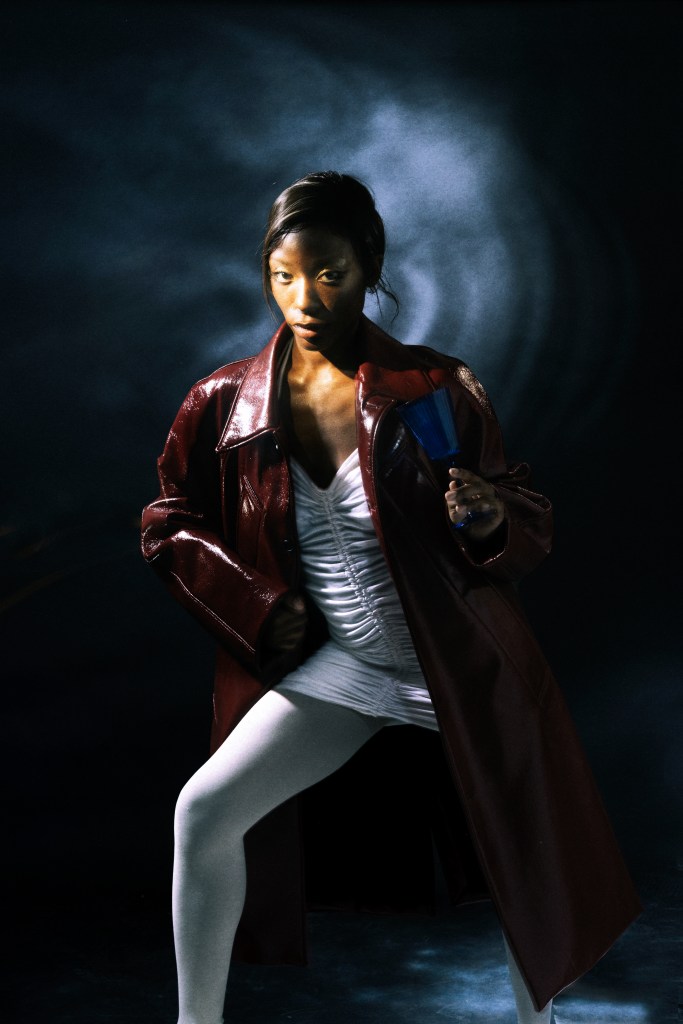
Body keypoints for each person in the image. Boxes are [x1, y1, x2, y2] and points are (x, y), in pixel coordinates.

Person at [141, 171, 640, 1024]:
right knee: (205, 810)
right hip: (345, 667)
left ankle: (540, 1023)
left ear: (368, 270)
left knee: (523, 858)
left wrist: (489, 516)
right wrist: (258, 606)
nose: (305, 298)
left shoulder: (434, 386)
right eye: (284, 275)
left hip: (458, 665)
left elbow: (522, 512)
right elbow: (167, 521)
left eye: (329, 275)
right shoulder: (224, 402)